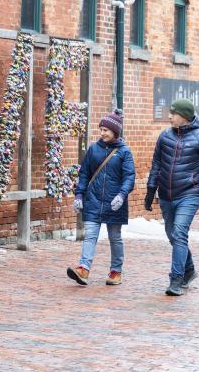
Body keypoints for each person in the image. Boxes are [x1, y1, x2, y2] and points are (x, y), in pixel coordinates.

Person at [145, 99, 199, 296]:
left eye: (173, 113)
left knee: (179, 232)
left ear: (184, 117)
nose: (170, 116)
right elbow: (156, 164)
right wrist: (150, 190)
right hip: (166, 194)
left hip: (190, 193)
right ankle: (189, 270)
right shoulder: (164, 136)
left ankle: (177, 279)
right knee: (173, 235)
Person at [67, 110, 136, 286]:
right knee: (90, 235)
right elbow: (84, 174)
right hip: (93, 200)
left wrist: (122, 195)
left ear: (115, 131)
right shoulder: (93, 149)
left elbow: (129, 177)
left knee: (115, 237)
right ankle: (83, 269)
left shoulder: (124, 152)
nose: (103, 133)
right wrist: (79, 195)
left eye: (106, 130)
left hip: (114, 202)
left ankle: (116, 271)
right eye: (101, 129)